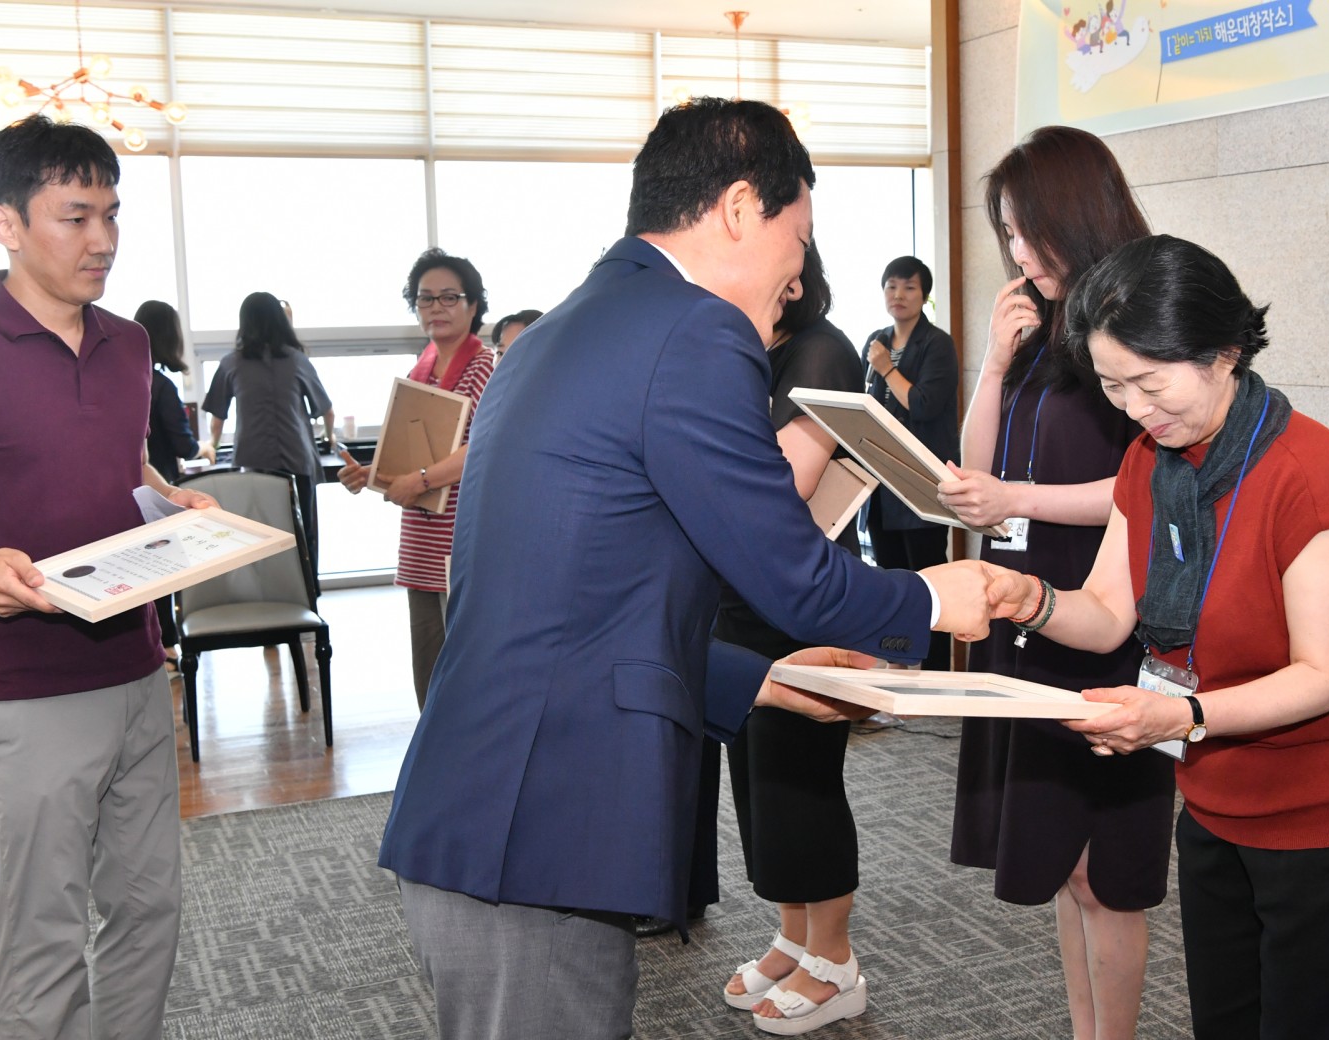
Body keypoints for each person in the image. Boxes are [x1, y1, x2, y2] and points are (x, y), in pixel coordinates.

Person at [375, 96, 1024, 1040]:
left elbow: (571, 603)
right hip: (538, 828)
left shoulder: (554, 332)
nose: (797, 277)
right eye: (799, 238)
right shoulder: (695, 331)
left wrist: (762, 680)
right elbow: (789, 570)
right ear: (739, 208)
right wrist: (932, 596)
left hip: (489, 809)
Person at [1001, 234, 1329, 1039]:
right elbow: (1107, 611)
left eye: (1150, 384)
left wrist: (1180, 716)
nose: (1134, 410)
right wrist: (1025, 599)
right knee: (1226, 1019)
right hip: (1214, 798)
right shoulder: (1153, 460)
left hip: (1323, 816)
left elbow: (1320, 676)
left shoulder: (1308, 472)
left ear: (1223, 352)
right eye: (1113, 386)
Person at [938, 126, 1173, 1040]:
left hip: (1102, 608)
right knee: (1064, 868)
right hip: (1030, 607)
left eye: (1026, 229)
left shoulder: (1135, 313)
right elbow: (975, 472)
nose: (1018, 251)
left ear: (1072, 213)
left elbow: (1144, 481)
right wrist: (996, 363)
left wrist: (1016, 499)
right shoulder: (1041, 323)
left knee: (1105, 868)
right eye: (1005, 232)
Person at [0, 113, 217, 1040]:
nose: (103, 241)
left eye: (113, 215)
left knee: (149, 910)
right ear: (8, 223)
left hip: (135, 666)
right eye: (76, 217)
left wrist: (172, 501)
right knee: (39, 935)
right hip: (25, 689)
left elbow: (125, 468)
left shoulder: (130, 345)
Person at [713, 244, 875, 1034]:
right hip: (741, 597)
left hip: (800, 605)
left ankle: (835, 960)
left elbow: (783, 482)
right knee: (757, 783)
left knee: (802, 781)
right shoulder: (751, 349)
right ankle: (793, 935)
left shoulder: (822, 350)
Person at [337, 249, 495, 709]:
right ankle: (434, 753)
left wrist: (421, 479)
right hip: (421, 541)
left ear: (473, 305)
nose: (436, 308)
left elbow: (484, 445)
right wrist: (373, 474)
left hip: (463, 541)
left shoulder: (484, 365)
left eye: (449, 297)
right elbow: (413, 457)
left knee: (465, 670)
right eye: (425, 298)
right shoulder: (420, 370)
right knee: (427, 669)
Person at [862, 255, 959, 671]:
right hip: (882, 480)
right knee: (889, 579)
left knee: (930, 581)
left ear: (924, 296)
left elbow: (923, 404)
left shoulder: (937, 344)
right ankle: (896, 665)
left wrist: (886, 368)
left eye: (909, 287)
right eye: (891, 286)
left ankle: (935, 673)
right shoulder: (877, 339)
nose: (898, 295)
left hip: (921, 479)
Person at [202, 290, 332, 589]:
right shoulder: (297, 360)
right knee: (303, 535)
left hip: (254, 464)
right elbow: (326, 410)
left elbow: (217, 419)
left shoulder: (231, 363)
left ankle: (268, 599)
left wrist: (212, 445)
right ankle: (309, 601)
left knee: (259, 537)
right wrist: (330, 437)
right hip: (298, 460)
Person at [136, 298, 214, 669]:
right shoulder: (162, 386)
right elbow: (184, 445)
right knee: (164, 571)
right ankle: (167, 649)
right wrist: (205, 448)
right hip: (161, 488)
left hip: (135, 492)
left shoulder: (129, 379)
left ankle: (157, 646)